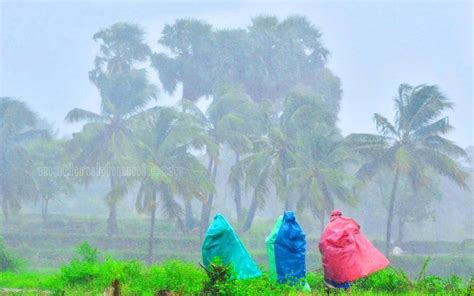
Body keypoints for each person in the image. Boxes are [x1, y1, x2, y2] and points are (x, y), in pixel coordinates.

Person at [319, 210, 389, 295]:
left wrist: (327, 254)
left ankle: (329, 294)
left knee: (329, 280)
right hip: (342, 260)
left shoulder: (328, 227)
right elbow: (352, 233)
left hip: (329, 261)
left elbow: (322, 243)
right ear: (340, 215)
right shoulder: (345, 224)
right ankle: (349, 294)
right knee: (344, 278)